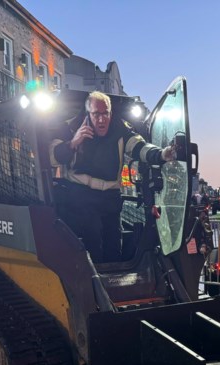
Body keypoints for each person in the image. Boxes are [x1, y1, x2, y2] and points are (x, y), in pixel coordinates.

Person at [49, 91, 178, 263]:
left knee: (114, 245)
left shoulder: (121, 130)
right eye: (96, 114)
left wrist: (161, 154)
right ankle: (92, 285)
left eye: (105, 114)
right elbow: (52, 157)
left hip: (110, 199)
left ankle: (115, 282)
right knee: (93, 239)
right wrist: (73, 142)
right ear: (88, 114)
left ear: (110, 113)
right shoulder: (70, 129)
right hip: (80, 198)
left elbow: (140, 147)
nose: (101, 119)